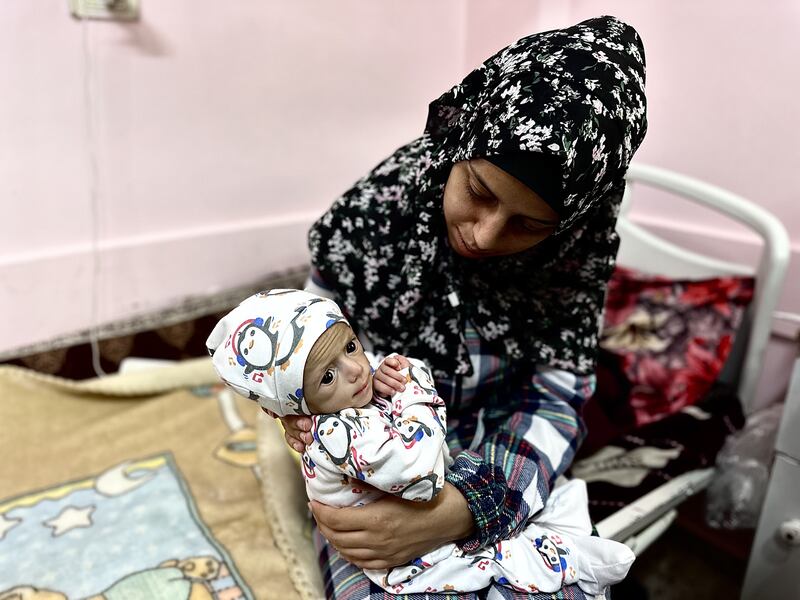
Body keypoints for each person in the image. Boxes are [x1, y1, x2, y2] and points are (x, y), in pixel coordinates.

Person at [281, 14, 647, 600]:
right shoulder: (377, 213)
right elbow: (306, 353)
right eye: (478, 192)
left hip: (500, 453)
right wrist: (311, 420)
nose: (484, 234)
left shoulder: (571, 261)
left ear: (568, 228)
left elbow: (553, 399)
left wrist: (467, 508)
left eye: (528, 225)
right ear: (459, 143)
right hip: (369, 457)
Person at [205, 289, 634, 596]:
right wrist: (413, 388)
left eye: (352, 346)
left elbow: (352, 363)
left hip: (426, 509)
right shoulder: (337, 433)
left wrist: (387, 373)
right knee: (503, 571)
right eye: (328, 376)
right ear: (294, 406)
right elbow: (422, 473)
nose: (356, 371)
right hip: (400, 557)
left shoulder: (343, 397)